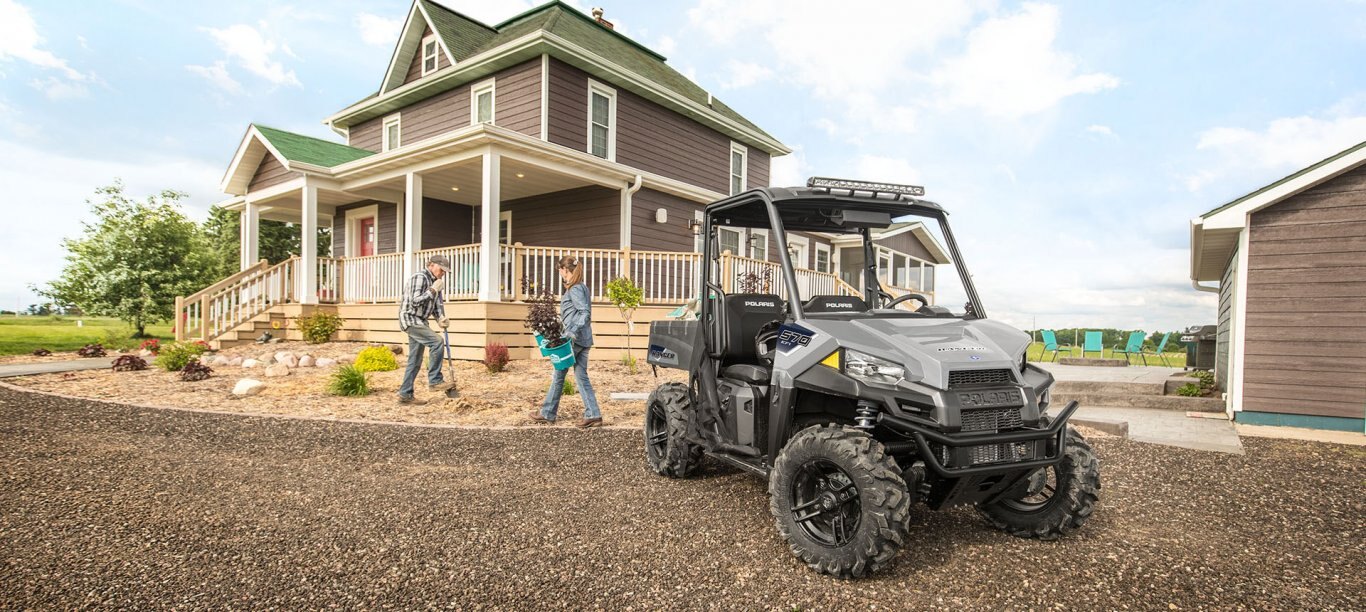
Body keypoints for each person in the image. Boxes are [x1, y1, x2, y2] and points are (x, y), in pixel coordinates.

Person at [528, 256, 602, 427]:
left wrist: (570, 331)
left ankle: (547, 413)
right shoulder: (582, 287)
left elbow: (584, 313)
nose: (559, 273)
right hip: (584, 339)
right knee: (581, 376)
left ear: (564, 270)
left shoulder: (575, 289)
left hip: (574, 340)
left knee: (559, 373)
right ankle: (593, 414)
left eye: (560, 270)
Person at [396, 254, 453, 404]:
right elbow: (415, 301)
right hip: (411, 319)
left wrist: (440, 318)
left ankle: (405, 395)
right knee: (437, 342)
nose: (443, 273)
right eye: (441, 270)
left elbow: (433, 306)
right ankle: (435, 380)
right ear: (432, 265)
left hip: (421, 321)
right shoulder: (420, 277)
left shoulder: (435, 282)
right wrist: (433, 290)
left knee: (414, 360)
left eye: (445, 271)